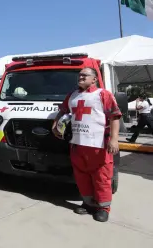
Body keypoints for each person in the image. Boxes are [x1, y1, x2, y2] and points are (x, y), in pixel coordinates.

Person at [52, 67, 121, 223]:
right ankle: (88, 204)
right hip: (77, 144)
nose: (80, 77)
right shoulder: (72, 95)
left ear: (94, 79)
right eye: (79, 75)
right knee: (82, 177)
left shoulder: (103, 94)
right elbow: (63, 111)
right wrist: (55, 124)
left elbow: (115, 116)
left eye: (85, 75)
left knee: (101, 177)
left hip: (98, 145)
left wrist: (114, 139)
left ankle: (103, 208)